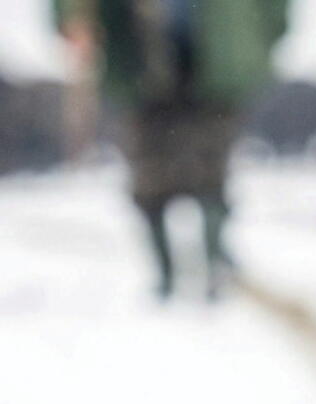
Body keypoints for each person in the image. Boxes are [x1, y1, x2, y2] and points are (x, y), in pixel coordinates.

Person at [54, 0, 290, 300]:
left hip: (219, 61)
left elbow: (278, 11)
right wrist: (73, 20)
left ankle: (214, 265)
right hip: (137, 60)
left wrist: (260, 40)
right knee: (150, 178)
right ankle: (164, 276)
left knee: (211, 175)